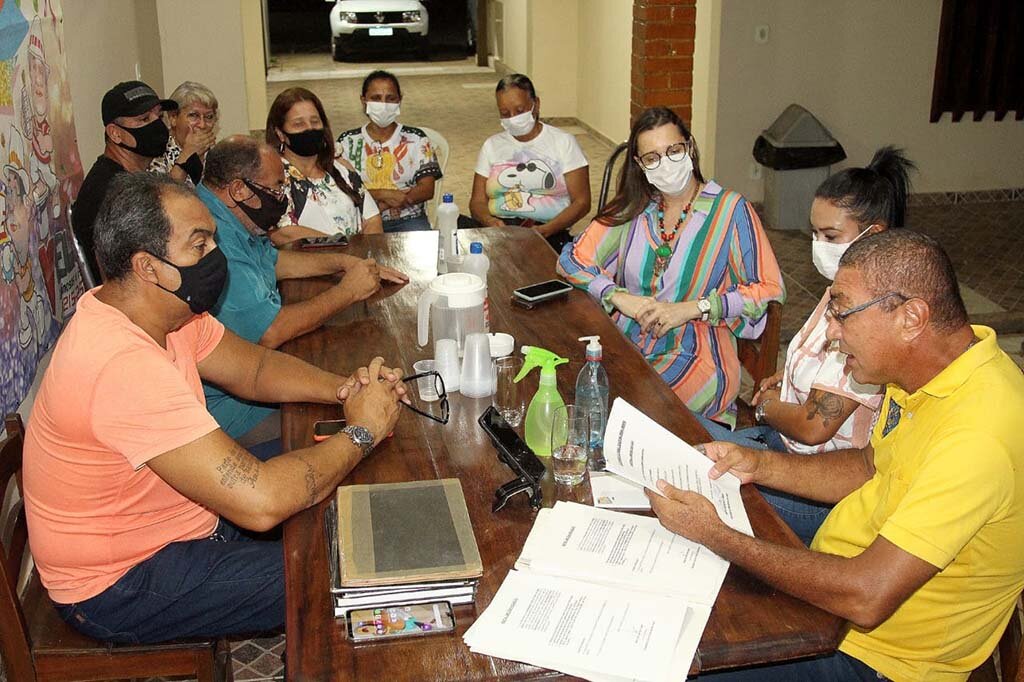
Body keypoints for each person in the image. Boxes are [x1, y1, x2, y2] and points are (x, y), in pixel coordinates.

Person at [23, 171, 407, 644]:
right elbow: (262, 504)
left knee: (351, 491)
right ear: (148, 267)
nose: (217, 258)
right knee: (351, 572)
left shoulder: (157, 311)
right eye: (199, 245)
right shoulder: (120, 365)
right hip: (121, 584)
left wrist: (348, 390)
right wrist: (362, 430)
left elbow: (255, 369)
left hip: (177, 520)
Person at [650, 230, 1024, 681]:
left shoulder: (979, 434)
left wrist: (719, 536)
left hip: (875, 659)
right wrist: (760, 465)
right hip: (832, 599)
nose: (831, 332)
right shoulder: (929, 374)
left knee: (667, 659)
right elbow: (870, 465)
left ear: (911, 318)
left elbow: (866, 596)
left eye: (842, 313)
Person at [696, 146, 915, 544]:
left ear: (874, 235)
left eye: (830, 236)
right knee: (684, 438)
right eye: (814, 233)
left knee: (700, 481)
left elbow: (815, 427)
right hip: (784, 447)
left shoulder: (872, 317)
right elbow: (813, 356)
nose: (818, 245)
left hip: (817, 491)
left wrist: (765, 407)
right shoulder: (840, 290)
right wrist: (786, 378)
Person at [558, 107, 785, 427]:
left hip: (697, 351)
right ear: (639, 165)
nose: (664, 164)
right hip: (628, 343)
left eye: (673, 151)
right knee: (576, 393)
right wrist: (619, 297)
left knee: (631, 413)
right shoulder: (637, 208)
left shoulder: (730, 211)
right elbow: (571, 259)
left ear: (690, 148)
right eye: (651, 158)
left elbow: (769, 290)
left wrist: (696, 308)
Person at [197, 135, 408, 445]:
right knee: (382, 425)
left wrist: (342, 262)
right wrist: (347, 292)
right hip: (227, 410)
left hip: (255, 370)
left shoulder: (231, 214)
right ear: (238, 189)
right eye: (276, 188)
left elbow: (273, 262)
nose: (283, 197)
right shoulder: (213, 237)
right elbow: (270, 332)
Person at [470, 73, 590, 252]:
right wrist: (490, 222)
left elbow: (582, 202)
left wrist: (546, 230)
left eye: (519, 111)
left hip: (549, 231)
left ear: (536, 105)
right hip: (501, 231)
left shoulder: (563, 142)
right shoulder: (492, 146)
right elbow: (477, 201)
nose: (512, 118)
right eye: (505, 113)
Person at [72, 80, 177, 282]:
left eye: (159, 116)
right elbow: (121, 279)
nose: (157, 125)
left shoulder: (133, 179)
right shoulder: (109, 191)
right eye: (144, 119)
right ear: (115, 133)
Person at [265, 87, 382, 240]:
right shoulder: (273, 178)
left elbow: (372, 219)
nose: (309, 128)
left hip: (358, 260)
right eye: (298, 124)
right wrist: (341, 247)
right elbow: (283, 233)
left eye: (315, 122)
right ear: (280, 133)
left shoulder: (342, 169)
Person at [336, 70, 443, 232]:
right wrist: (382, 193)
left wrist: (384, 204)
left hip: (409, 220)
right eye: (376, 98)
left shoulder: (416, 139)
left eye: (390, 99)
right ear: (363, 100)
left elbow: (426, 189)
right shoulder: (347, 141)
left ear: (400, 100)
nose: (383, 105)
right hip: (360, 221)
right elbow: (341, 189)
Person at [149, 80, 218, 186]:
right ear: (173, 118)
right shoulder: (157, 153)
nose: (202, 125)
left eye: (209, 117)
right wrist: (187, 154)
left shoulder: (219, 155)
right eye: (193, 115)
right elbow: (162, 198)